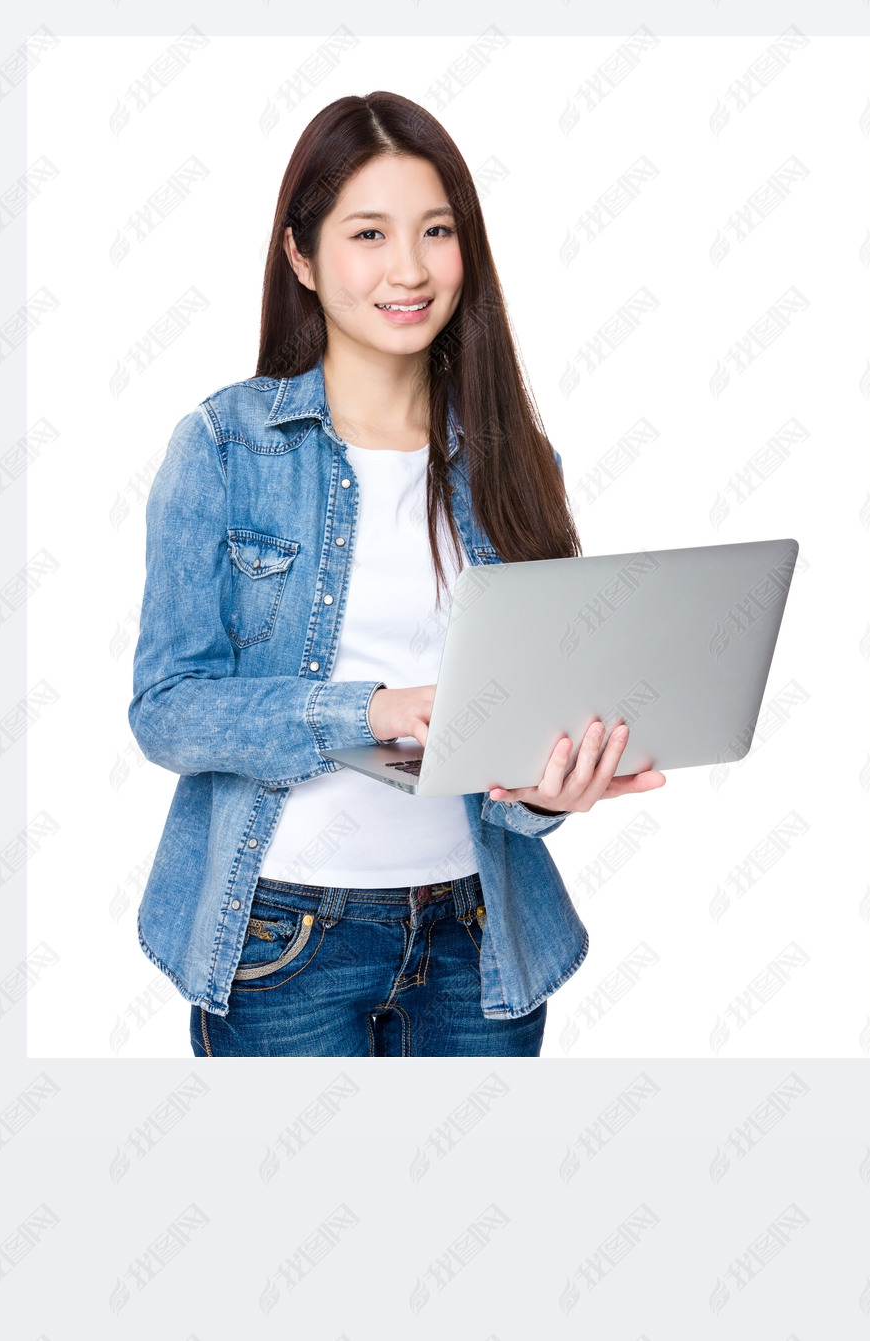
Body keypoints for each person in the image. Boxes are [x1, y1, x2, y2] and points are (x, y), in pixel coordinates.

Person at [128, 90, 666, 1058]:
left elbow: (524, 721)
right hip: (282, 941)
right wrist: (366, 710)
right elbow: (165, 708)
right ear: (301, 255)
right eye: (368, 233)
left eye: (436, 230)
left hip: (477, 942)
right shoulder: (222, 445)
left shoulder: (511, 453)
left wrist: (552, 789)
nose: (410, 269)